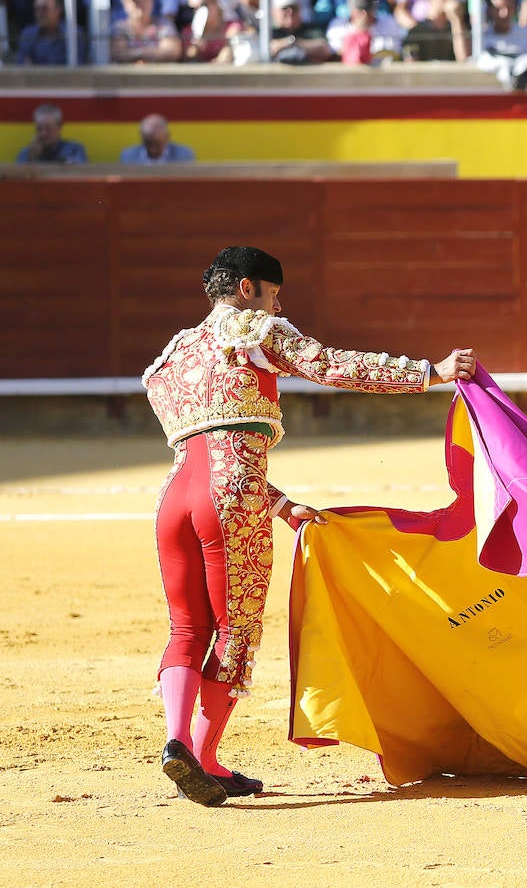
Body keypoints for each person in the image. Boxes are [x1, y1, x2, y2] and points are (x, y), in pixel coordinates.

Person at [144, 246, 476, 806]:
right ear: (247, 289)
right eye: (274, 292)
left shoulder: (175, 355)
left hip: (173, 500)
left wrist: (278, 504)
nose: (278, 302)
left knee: (186, 628)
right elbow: (329, 365)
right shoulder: (253, 329)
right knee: (235, 631)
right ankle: (199, 756)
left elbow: (206, 452)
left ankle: (177, 741)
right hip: (230, 499)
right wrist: (428, 373)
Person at [16, 0, 87, 65]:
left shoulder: (74, 33)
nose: (39, 14)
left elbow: (77, 66)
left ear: (57, 11)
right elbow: (23, 66)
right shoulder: (28, 34)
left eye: (44, 9)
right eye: (37, 9)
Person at [16, 104, 88, 164]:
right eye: (39, 129)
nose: (43, 134)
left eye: (48, 129)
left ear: (59, 127)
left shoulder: (74, 150)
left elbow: (82, 173)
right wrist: (32, 158)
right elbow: (19, 178)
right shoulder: (26, 153)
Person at [120, 114, 198, 163]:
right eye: (148, 144)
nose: (152, 150)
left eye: (157, 145)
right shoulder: (128, 156)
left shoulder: (184, 155)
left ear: (167, 137)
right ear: (142, 138)